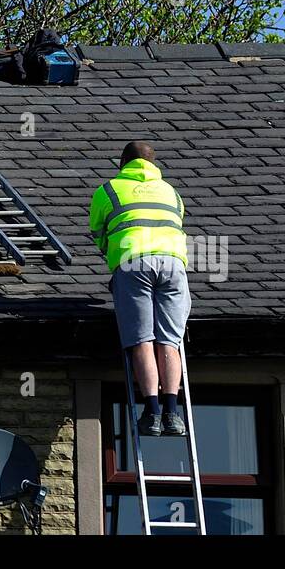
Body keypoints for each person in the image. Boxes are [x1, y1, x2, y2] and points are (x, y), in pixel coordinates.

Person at [90, 140, 190, 436]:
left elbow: (99, 232)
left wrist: (113, 253)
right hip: (174, 264)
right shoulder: (171, 192)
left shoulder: (109, 190)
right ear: (153, 164)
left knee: (142, 339)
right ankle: (173, 413)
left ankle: (153, 411)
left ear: (123, 162)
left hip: (134, 261)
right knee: (170, 341)